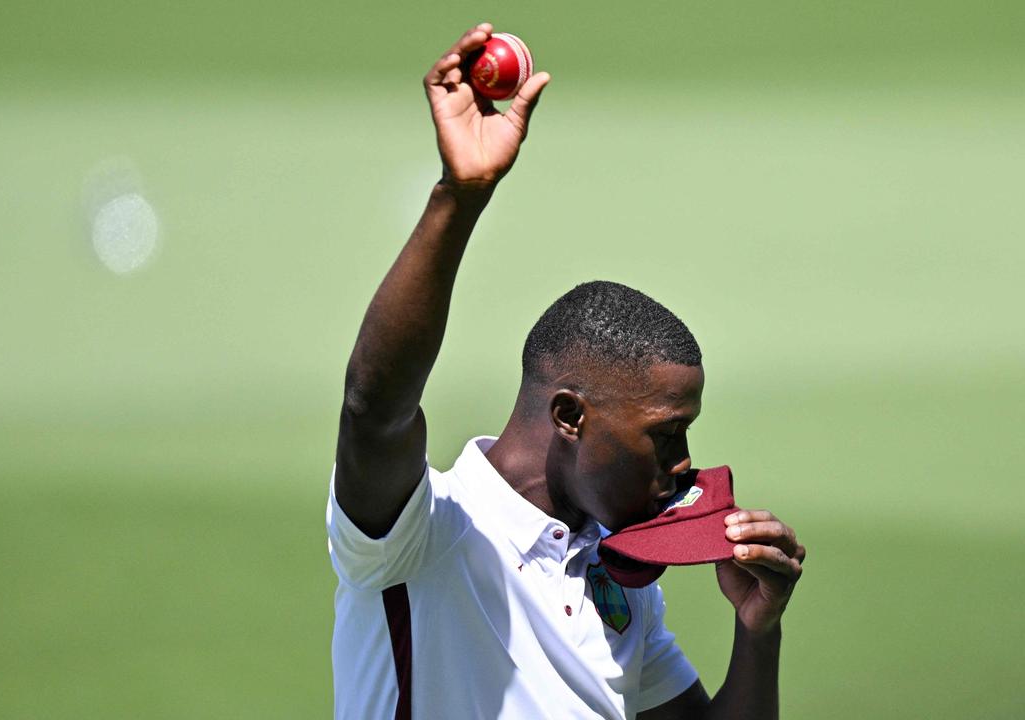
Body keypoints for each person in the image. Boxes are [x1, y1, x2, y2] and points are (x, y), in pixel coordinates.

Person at [327, 23, 807, 720]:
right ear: (570, 416)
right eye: (666, 435)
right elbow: (373, 406)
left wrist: (759, 632)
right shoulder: (420, 535)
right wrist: (459, 197)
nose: (684, 465)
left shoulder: (620, 580)